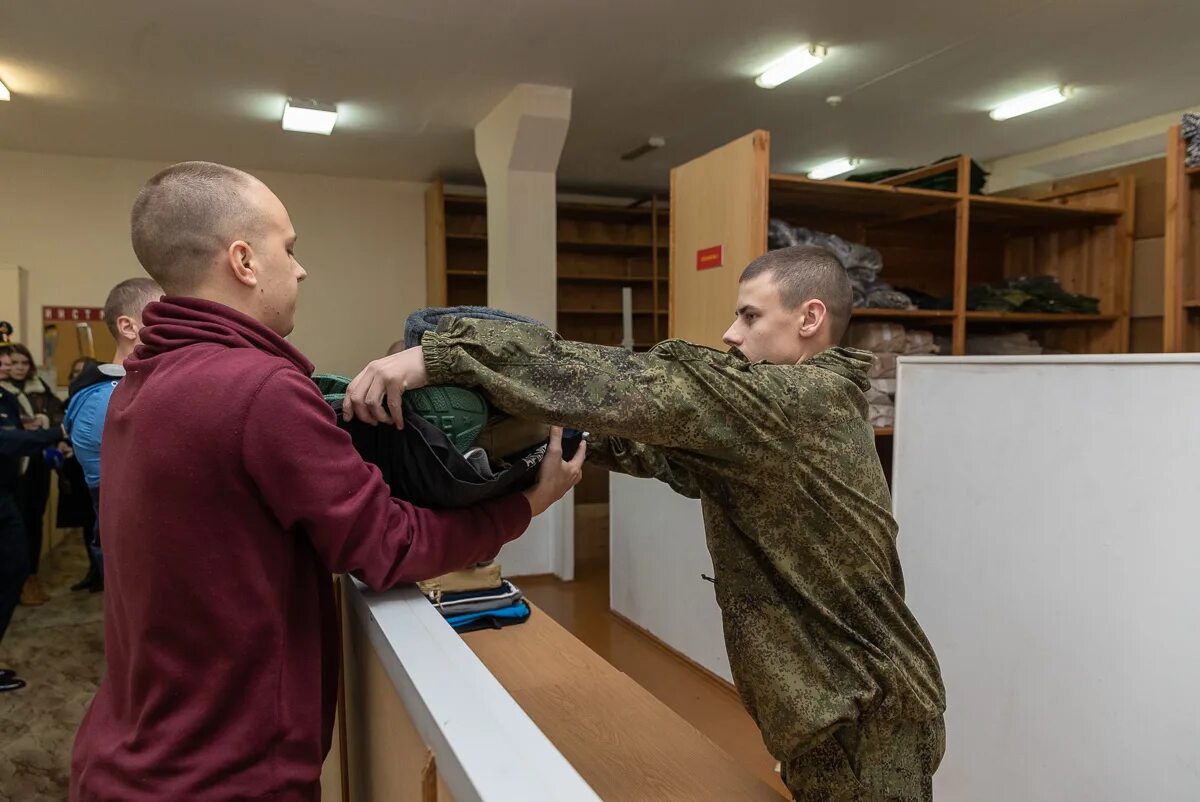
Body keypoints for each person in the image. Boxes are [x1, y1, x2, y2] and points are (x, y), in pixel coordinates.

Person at [343, 245, 947, 802]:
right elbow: (653, 445)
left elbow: (634, 387)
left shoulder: (797, 402)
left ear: (810, 318)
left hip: (865, 713)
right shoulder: (771, 423)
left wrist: (444, 356)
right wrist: (545, 432)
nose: (730, 334)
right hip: (844, 707)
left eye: (750, 316)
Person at [70, 161, 585, 802]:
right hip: (221, 777)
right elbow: (386, 545)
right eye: (288, 247)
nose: (301, 267)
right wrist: (529, 503)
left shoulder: (140, 386)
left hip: (130, 752)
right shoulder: (258, 390)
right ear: (244, 261)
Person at [64, 280, 164, 593]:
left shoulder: (137, 385)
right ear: (128, 326)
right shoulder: (103, 397)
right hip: (135, 542)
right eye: (166, 316)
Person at [0, 344, 68, 692]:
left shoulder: (8, 396)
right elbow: (5, 440)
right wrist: (57, 433)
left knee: (16, 564)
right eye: (6, 359)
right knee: (12, 565)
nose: (10, 364)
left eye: (15, 360)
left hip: (10, 488)